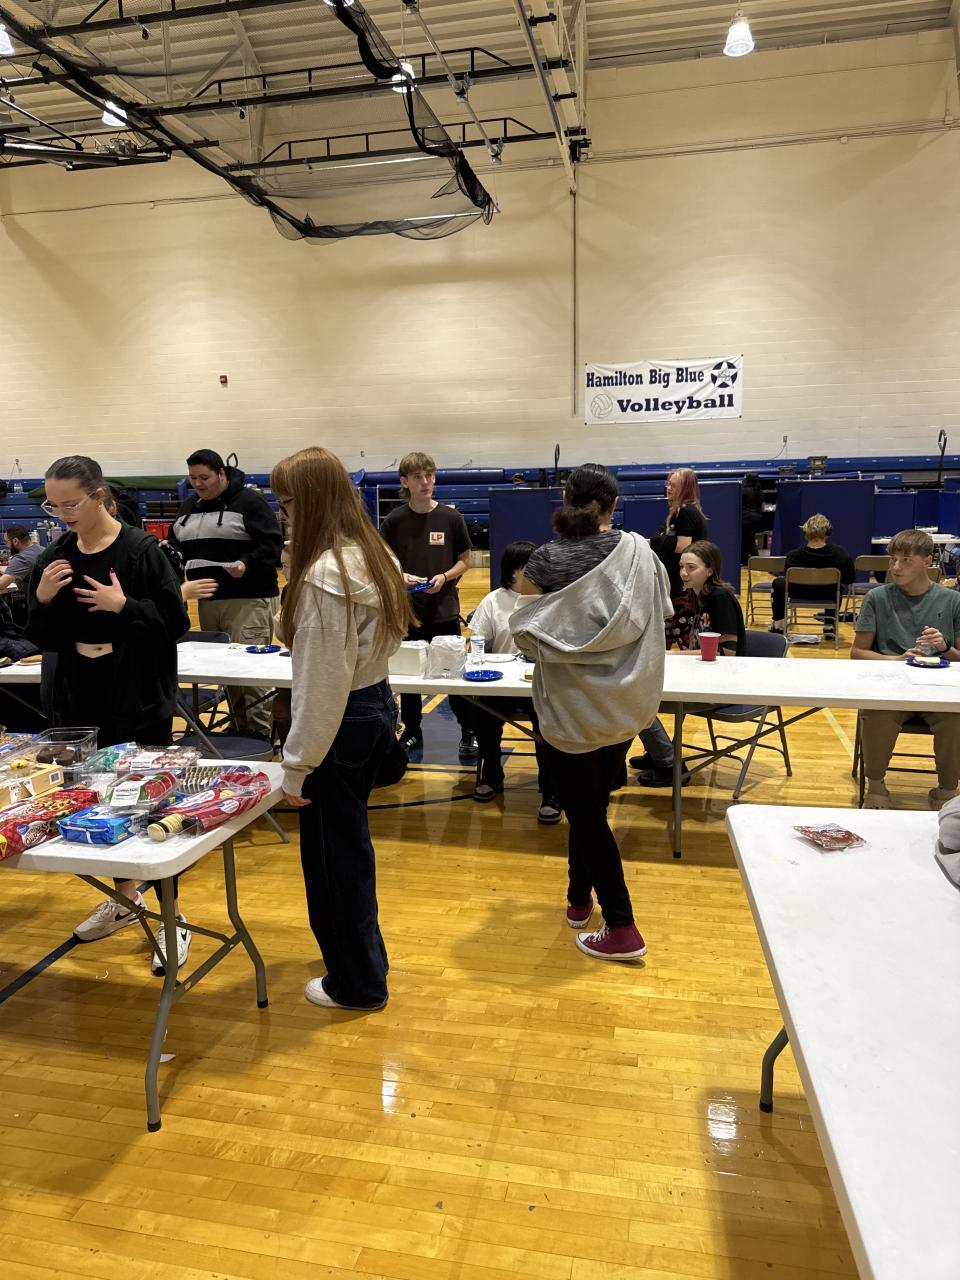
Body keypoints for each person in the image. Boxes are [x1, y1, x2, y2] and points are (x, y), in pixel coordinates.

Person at [26, 455, 192, 972]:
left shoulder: (141, 551)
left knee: (148, 804)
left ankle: (173, 917)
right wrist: (41, 598)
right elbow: (41, 636)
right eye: (54, 506)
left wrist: (125, 607)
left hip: (136, 693)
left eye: (71, 503)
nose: (63, 514)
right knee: (97, 803)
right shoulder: (55, 555)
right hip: (79, 695)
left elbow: (175, 625)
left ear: (99, 496)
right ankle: (126, 899)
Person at [513, 464, 672, 962]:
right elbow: (663, 612)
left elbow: (526, 630)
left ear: (565, 499)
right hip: (625, 704)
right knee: (591, 809)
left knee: (584, 816)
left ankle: (622, 926)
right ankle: (578, 898)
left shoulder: (545, 559)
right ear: (613, 505)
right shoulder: (641, 554)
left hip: (570, 710)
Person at [272, 446, 410, 1011]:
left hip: (340, 720)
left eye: (285, 503)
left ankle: (356, 983)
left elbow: (322, 683)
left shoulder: (326, 576)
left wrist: (297, 765)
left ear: (306, 503)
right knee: (350, 851)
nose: (282, 514)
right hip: (373, 705)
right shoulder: (372, 554)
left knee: (334, 861)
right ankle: (364, 962)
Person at [166, 450, 282, 739]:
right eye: (193, 478)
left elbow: (272, 544)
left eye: (204, 477)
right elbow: (176, 543)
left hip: (248, 598)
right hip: (208, 600)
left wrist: (247, 564)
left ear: (221, 473)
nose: (198, 484)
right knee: (225, 672)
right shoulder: (188, 507)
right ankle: (240, 731)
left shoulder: (250, 502)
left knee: (251, 671)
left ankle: (260, 734)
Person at [852, 528, 960, 811]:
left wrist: (944, 647)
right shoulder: (877, 597)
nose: (896, 567)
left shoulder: (952, 600)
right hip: (892, 684)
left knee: (955, 718)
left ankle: (947, 791)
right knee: (878, 712)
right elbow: (858, 652)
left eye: (906, 560)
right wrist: (897, 659)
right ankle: (876, 787)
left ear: (927, 561)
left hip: (939, 687)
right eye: (893, 560)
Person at [379, 452, 477, 760]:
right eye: (418, 477)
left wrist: (445, 577)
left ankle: (468, 731)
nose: (426, 482)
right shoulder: (394, 521)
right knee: (410, 677)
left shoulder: (450, 517)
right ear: (405, 482)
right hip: (408, 612)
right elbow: (382, 563)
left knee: (455, 675)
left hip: (444, 610)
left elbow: (466, 560)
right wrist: (401, 577)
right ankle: (412, 730)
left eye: (430, 475)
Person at [632, 541, 746, 787]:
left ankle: (667, 762)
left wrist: (672, 655)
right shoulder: (694, 597)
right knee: (636, 694)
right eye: (681, 567)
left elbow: (727, 653)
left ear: (710, 570)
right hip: (701, 677)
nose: (684, 573)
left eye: (691, 567)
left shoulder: (720, 597)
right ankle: (659, 752)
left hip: (724, 684)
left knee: (636, 701)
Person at [468, 540, 560, 823]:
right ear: (512, 571)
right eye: (528, 567)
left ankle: (551, 790)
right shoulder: (494, 601)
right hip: (502, 683)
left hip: (540, 683)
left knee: (547, 725)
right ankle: (492, 773)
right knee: (480, 712)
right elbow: (476, 641)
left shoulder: (550, 600)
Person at [770, 513, 855, 639]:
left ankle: (779, 624)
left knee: (778, 582)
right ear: (828, 533)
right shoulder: (840, 554)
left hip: (799, 594)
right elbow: (850, 579)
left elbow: (787, 581)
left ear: (805, 533)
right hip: (827, 595)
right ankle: (829, 624)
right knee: (838, 586)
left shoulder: (793, 556)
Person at [650, 467, 708, 649]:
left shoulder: (686, 512)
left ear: (686, 488)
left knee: (686, 641)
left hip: (682, 589)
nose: (669, 489)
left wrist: (657, 541)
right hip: (674, 585)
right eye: (668, 484)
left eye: (674, 486)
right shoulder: (677, 512)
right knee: (664, 639)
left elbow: (683, 546)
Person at [0, 525, 42, 594]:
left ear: (15, 541)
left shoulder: (21, 558)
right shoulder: (42, 549)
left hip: (34, 598)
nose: (7, 546)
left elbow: (1, 584)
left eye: (6, 542)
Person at [741, 473, 765, 565]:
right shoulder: (759, 491)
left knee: (748, 540)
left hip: (746, 518)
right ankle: (748, 559)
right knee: (750, 539)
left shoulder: (744, 491)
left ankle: (754, 560)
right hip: (756, 518)